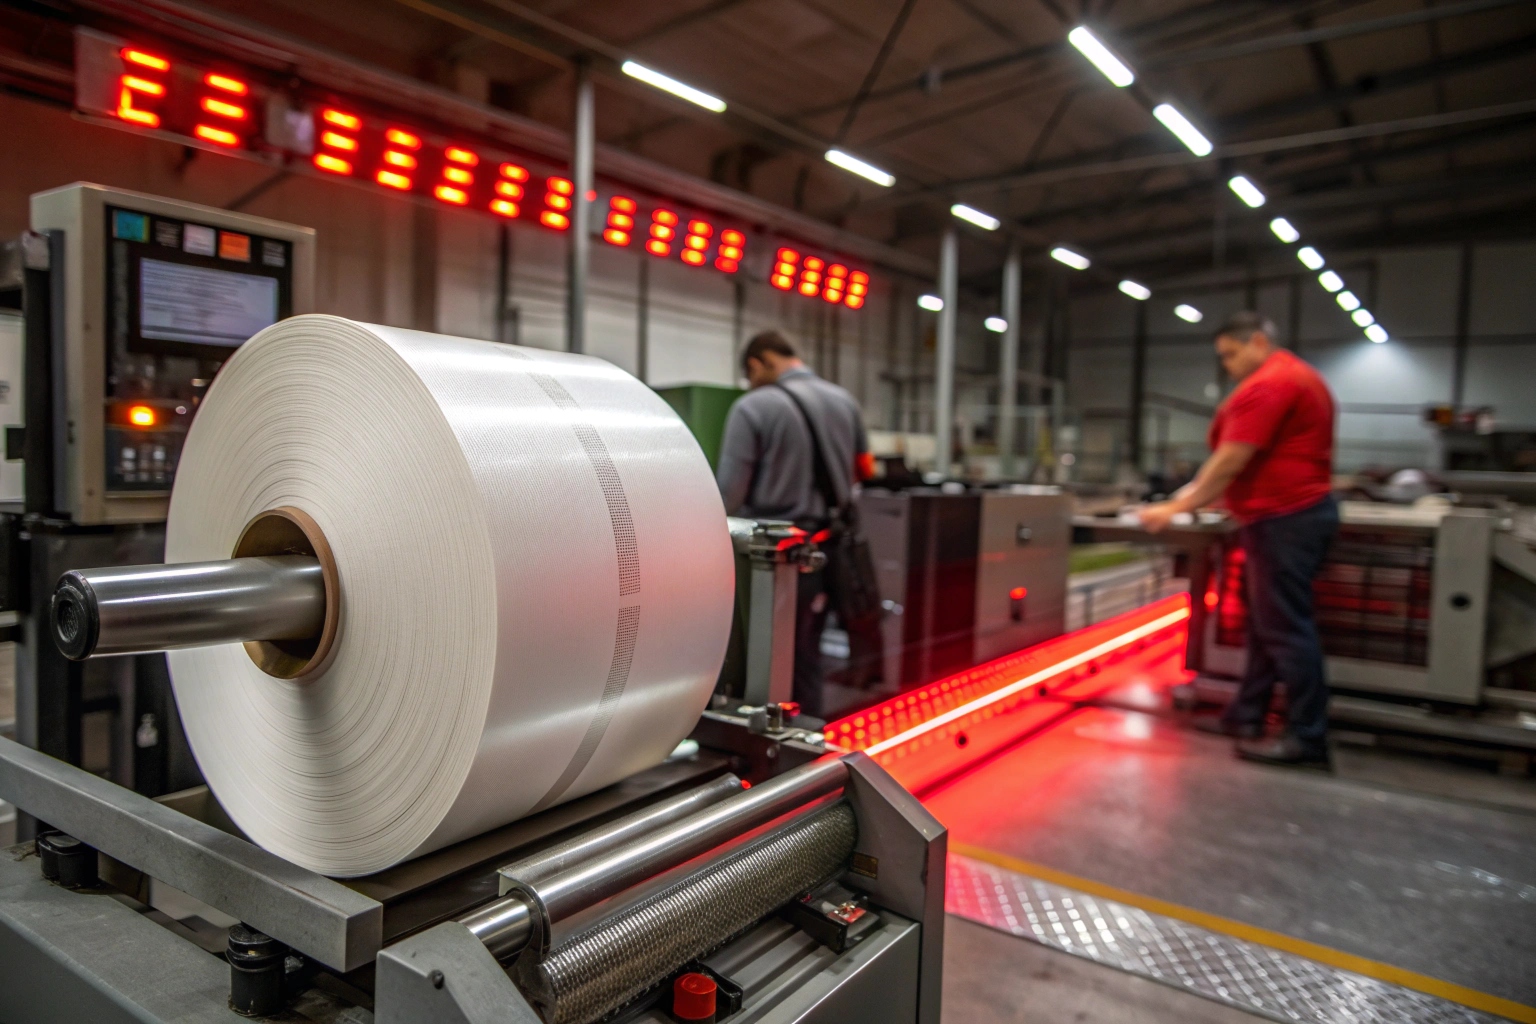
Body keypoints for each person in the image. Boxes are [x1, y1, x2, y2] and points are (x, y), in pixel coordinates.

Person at [1140, 312, 1338, 768]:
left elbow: (1231, 460)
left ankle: (1308, 738)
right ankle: (1247, 714)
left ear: (1258, 343)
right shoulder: (1297, 377)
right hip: (1285, 517)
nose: (1227, 365)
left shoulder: (1271, 384)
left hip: (1285, 520)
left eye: (1231, 355)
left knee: (1286, 630)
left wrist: (1175, 508)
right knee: (1267, 627)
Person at [716, 331, 873, 719]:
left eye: (751, 375)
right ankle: (808, 735)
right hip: (828, 548)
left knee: (764, 659)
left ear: (759, 363)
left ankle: (767, 740)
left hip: (772, 559)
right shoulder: (844, 401)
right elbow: (865, 469)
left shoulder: (753, 407)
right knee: (808, 653)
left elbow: (728, 496)